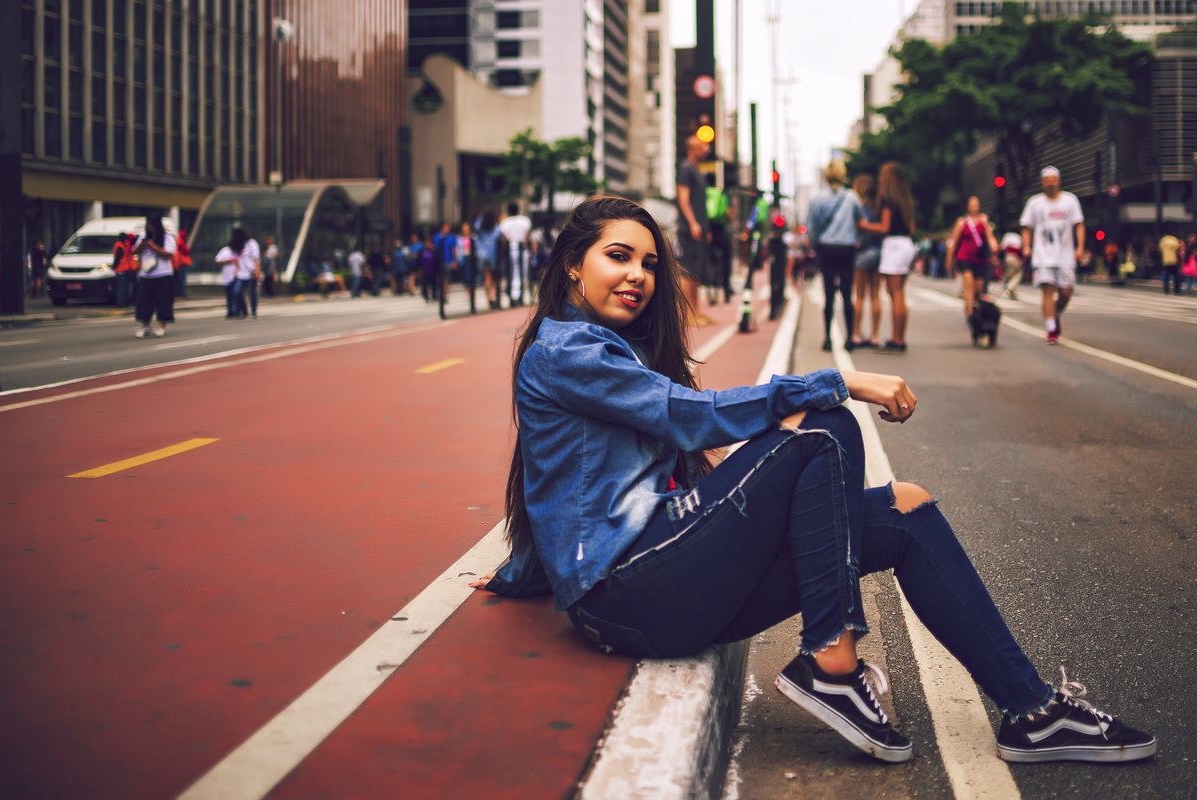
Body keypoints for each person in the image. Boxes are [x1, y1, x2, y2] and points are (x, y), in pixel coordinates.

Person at [471, 194, 1156, 766]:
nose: (639, 276)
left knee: (907, 513)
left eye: (649, 263)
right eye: (617, 257)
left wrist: (520, 573)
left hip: (660, 583)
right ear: (569, 267)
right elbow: (690, 418)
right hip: (632, 592)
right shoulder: (567, 352)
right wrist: (841, 378)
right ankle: (833, 667)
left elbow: (556, 488)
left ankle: (1031, 710)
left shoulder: (606, 350)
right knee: (826, 429)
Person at [1019, 166, 1084, 345]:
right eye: (1047, 181)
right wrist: (1026, 246)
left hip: (1065, 254)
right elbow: (1026, 226)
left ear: (1059, 181)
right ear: (1042, 183)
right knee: (1047, 290)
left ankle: (1054, 314)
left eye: (1053, 180)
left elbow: (1079, 225)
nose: (1050, 184)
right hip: (1043, 255)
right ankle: (1051, 329)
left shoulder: (1070, 200)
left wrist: (1080, 247)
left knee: (1066, 292)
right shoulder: (1035, 203)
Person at [859, 161, 917, 354]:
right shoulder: (905, 199)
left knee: (896, 295)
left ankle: (897, 340)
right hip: (907, 244)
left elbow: (884, 228)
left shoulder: (886, 199)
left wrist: (864, 225)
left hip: (893, 245)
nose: (879, 178)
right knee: (900, 293)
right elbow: (912, 228)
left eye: (882, 174)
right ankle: (901, 337)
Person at [806, 160, 864, 352]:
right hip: (847, 249)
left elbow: (811, 229)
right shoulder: (851, 197)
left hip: (826, 249)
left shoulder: (817, 199)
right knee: (848, 295)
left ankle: (827, 338)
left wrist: (815, 245)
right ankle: (849, 338)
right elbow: (861, 220)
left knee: (828, 295)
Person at [675, 135, 714, 324]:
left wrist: (703, 226)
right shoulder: (685, 169)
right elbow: (683, 198)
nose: (705, 150)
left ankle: (696, 312)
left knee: (697, 271)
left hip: (699, 227)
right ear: (691, 149)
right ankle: (688, 314)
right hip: (689, 228)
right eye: (701, 147)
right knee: (687, 271)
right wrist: (692, 223)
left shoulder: (697, 170)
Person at [946, 196, 999, 328]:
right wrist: (949, 260)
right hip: (964, 257)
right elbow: (954, 241)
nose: (974, 207)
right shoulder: (962, 222)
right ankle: (970, 313)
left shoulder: (984, 220)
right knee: (969, 285)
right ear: (968, 207)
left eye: (976, 204)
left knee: (979, 290)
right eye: (972, 204)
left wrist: (995, 248)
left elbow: (989, 237)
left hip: (980, 258)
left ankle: (977, 309)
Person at [851, 174, 883, 348]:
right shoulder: (877, 208)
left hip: (861, 252)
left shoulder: (857, 207)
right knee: (876, 295)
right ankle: (875, 335)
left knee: (860, 296)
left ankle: (856, 334)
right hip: (877, 251)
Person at [132, 214, 176, 338]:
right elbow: (134, 251)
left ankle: (161, 326)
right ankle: (145, 326)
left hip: (163, 274)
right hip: (146, 275)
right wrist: (142, 245)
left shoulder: (167, 237)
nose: (149, 228)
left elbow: (168, 254)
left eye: (151, 225)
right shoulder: (143, 236)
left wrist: (153, 246)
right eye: (148, 225)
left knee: (163, 302)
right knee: (143, 302)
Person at [706, 173, 735, 304]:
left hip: (708, 232)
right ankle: (727, 288)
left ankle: (711, 290)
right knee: (726, 259)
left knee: (710, 261)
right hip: (721, 232)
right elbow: (730, 215)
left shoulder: (704, 193)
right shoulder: (722, 193)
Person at [500, 203, 532, 306]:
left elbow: (504, 239)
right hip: (522, 249)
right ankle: (522, 294)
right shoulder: (525, 221)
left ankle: (514, 295)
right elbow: (527, 237)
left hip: (511, 249)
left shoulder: (505, 223)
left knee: (513, 272)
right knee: (524, 272)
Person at [215, 228, 247, 319]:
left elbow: (240, 263)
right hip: (226, 277)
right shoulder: (225, 251)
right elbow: (217, 261)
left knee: (236, 293)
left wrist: (237, 271)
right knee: (229, 296)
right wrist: (227, 261)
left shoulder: (238, 252)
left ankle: (238, 311)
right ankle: (230, 312)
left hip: (236, 276)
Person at [474, 210, 503, 309]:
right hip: (492, 255)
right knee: (494, 278)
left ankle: (488, 299)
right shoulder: (495, 228)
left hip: (481, 256)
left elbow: (476, 224)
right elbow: (500, 235)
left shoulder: (480, 228)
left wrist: (481, 217)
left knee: (487, 277)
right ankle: (494, 297)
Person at [457, 221, 478, 314]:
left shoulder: (473, 237)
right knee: (466, 278)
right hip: (464, 258)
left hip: (471, 258)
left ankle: (472, 295)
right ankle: (469, 296)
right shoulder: (459, 239)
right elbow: (458, 249)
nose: (465, 231)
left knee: (472, 277)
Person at [112, 233, 135, 308]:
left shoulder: (121, 245)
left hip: (122, 269)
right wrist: (114, 266)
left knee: (122, 287)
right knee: (122, 288)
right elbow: (118, 258)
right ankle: (121, 303)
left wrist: (114, 267)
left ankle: (122, 302)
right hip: (122, 270)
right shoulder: (120, 245)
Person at [1000, 230, 1025, 300]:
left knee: (1010, 275)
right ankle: (1010, 287)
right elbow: (1021, 249)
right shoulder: (1019, 238)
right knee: (1018, 274)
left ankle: (1013, 293)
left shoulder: (1007, 236)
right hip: (1015, 258)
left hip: (1007, 257)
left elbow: (1002, 247)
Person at [174, 229, 191, 298]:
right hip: (182, 263)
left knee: (180, 279)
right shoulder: (180, 242)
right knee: (181, 279)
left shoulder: (181, 241)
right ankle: (181, 292)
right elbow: (185, 251)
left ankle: (180, 292)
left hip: (182, 263)